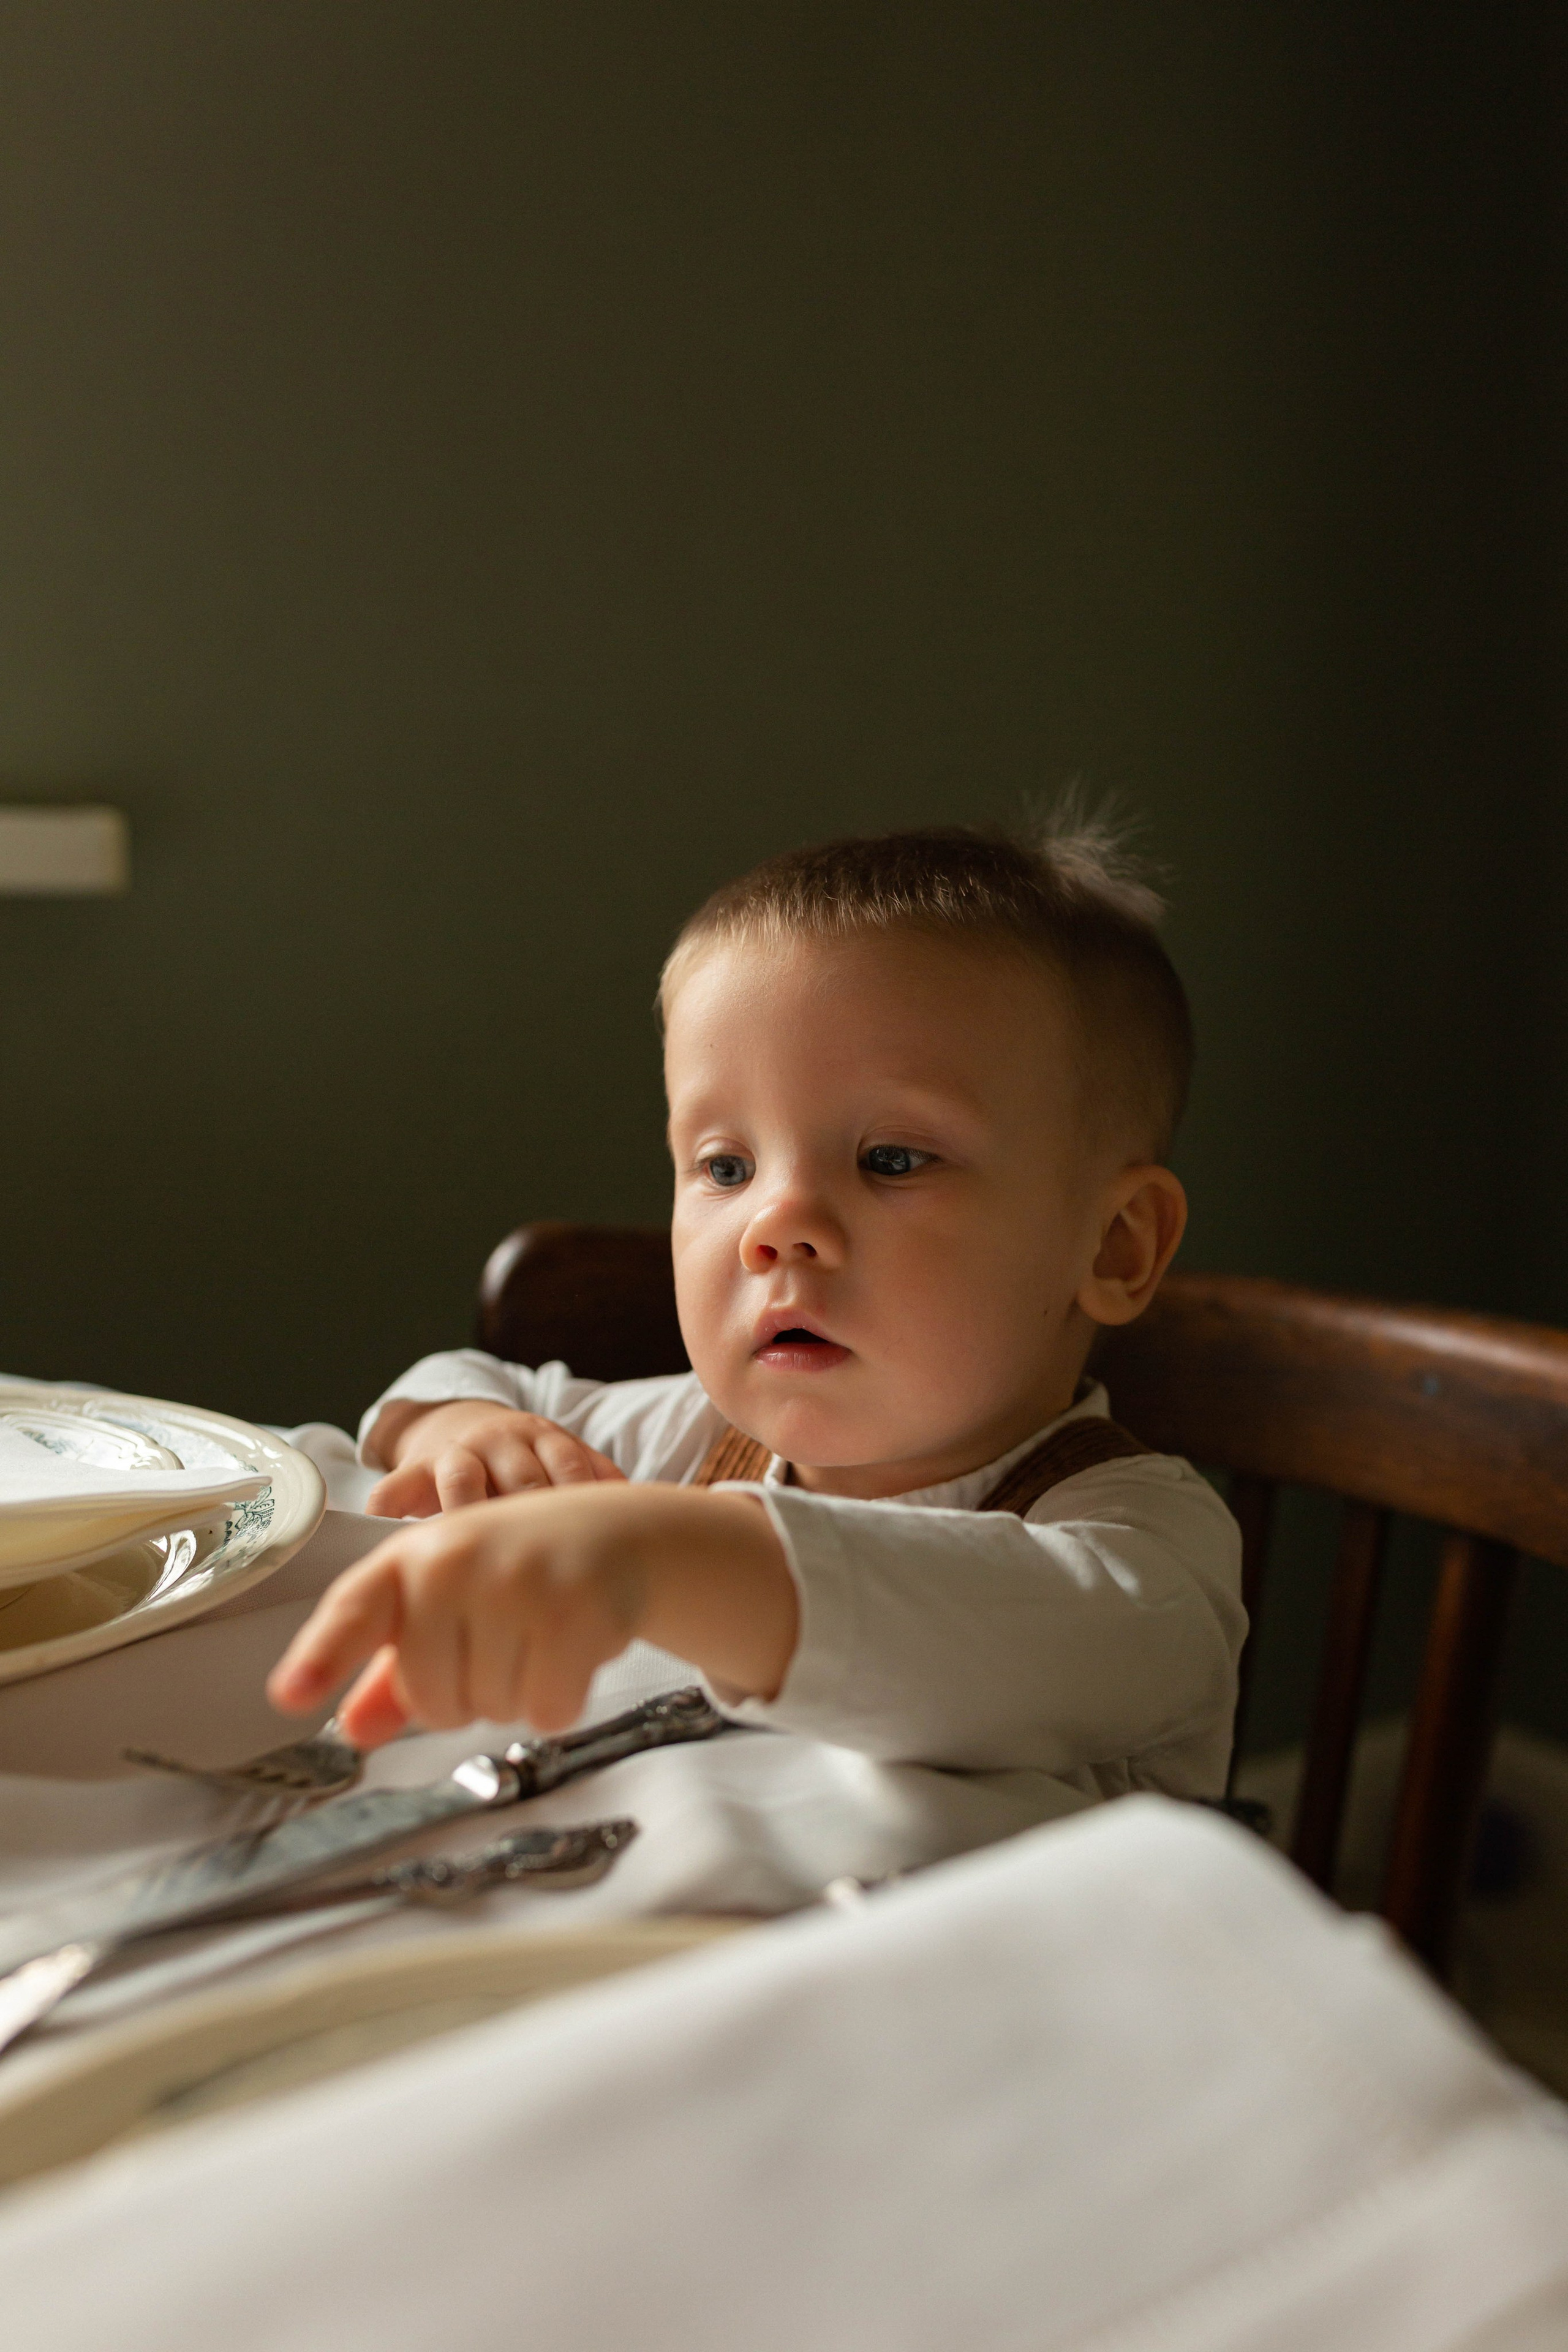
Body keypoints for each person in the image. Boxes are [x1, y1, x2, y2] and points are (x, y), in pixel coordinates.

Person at [270, 821, 1244, 1809]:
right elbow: (470, 1383)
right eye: (727, 1167)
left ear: (1114, 1246)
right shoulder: (688, 1440)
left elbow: (971, 1632)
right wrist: (459, 1431)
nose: (774, 1225)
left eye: (891, 1160)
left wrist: (654, 1556)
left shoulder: (1148, 1557)